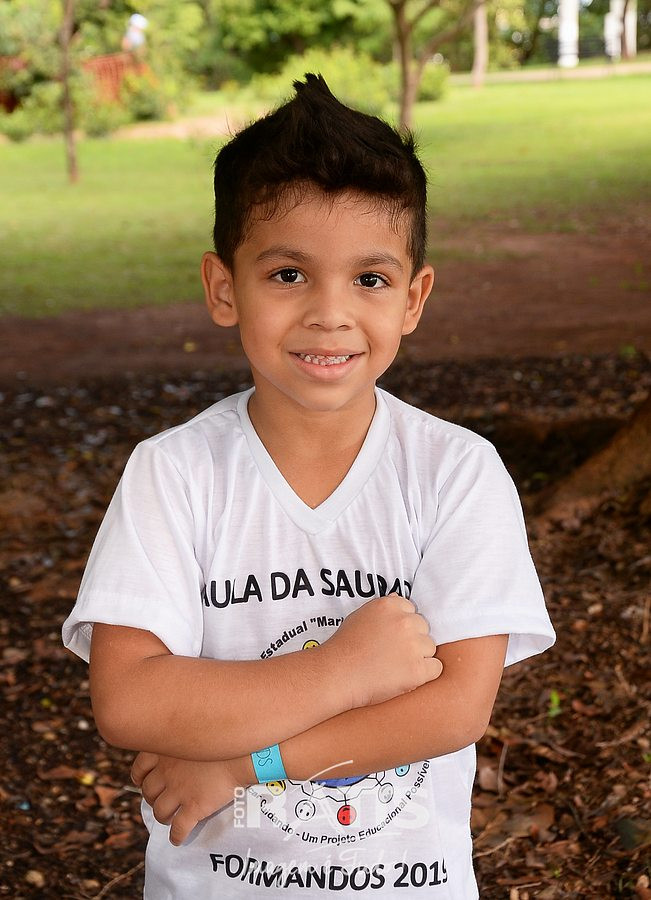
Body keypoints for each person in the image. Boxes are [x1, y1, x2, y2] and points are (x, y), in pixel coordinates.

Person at [62, 73, 555, 898]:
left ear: (413, 298)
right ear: (224, 288)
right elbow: (129, 699)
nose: (330, 312)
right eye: (288, 274)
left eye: (369, 279)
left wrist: (245, 764)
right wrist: (341, 671)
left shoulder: (456, 471)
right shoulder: (175, 472)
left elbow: (454, 710)